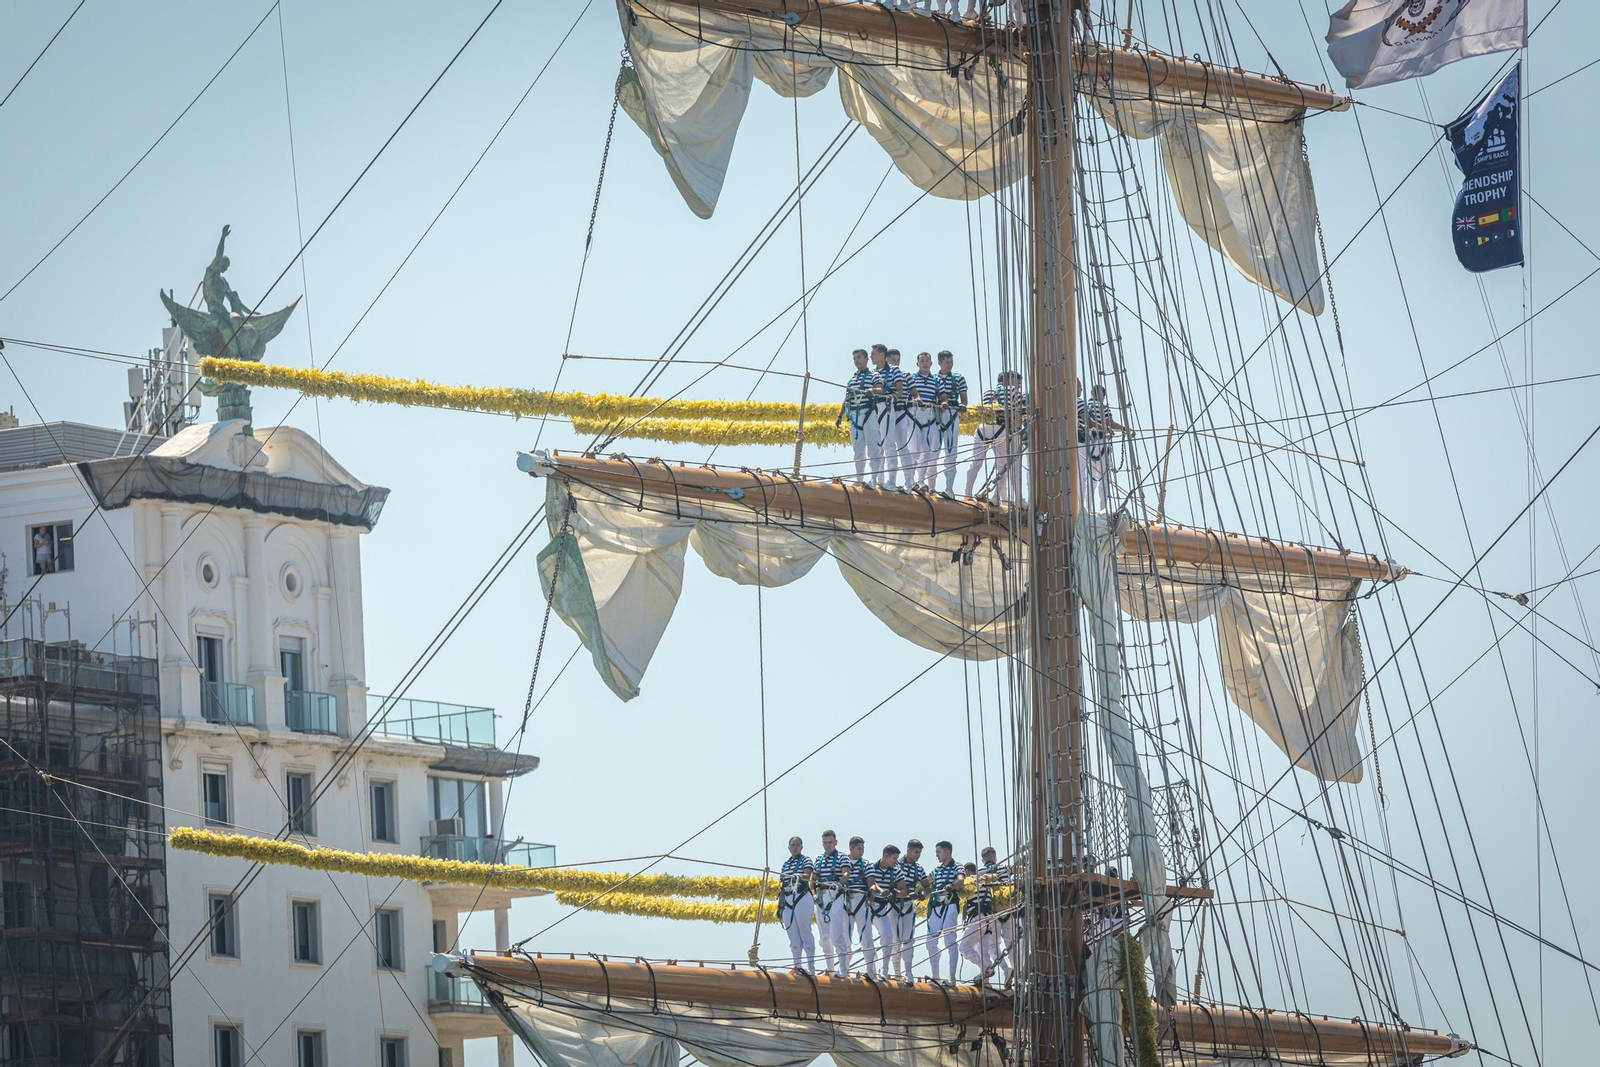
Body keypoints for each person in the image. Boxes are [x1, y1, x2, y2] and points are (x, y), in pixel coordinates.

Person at [964, 370, 1027, 503]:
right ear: (1009, 380)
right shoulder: (1013, 391)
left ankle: (967, 493)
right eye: (1017, 381)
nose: (1019, 385)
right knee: (1002, 465)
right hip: (1000, 428)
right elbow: (1024, 407)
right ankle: (996, 497)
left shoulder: (988, 391)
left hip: (982, 429)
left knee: (976, 462)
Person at [1077, 381, 1125, 511]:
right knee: (1104, 477)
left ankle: (1088, 508)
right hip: (1101, 443)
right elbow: (1110, 423)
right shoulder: (1102, 407)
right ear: (1102, 395)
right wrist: (1124, 428)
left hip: (1089, 445)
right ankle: (1104, 508)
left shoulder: (1086, 406)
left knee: (1090, 478)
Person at [836, 349, 879, 483]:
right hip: (854, 416)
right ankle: (859, 478)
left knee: (873, 448)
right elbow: (847, 398)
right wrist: (839, 416)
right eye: (854, 358)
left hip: (868, 413)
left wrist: (872, 391)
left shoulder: (874, 375)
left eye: (859, 357)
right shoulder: (852, 380)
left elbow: (880, 389)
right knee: (858, 450)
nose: (856, 360)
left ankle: (874, 479)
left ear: (866, 359)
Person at [925, 841, 965, 981]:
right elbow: (924, 882)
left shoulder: (957, 866)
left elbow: (960, 880)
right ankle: (935, 976)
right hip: (936, 906)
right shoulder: (937, 870)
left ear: (947, 851)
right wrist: (918, 890)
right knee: (930, 942)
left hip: (949, 904)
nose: (936, 855)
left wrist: (952, 885)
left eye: (938, 852)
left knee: (950, 940)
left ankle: (952, 976)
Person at [812, 830, 850, 975]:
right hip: (821, 897)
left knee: (837, 934)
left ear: (835, 842)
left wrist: (839, 883)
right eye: (825, 843)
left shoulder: (842, 857)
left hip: (835, 894)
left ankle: (843, 969)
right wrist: (814, 893)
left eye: (830, 842)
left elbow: (846, 873)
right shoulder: (819, 859)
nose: (827, 845)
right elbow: (813, 879)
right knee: (824, 936)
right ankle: (830, 968)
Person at [777, 836, 816, 972]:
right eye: (792, 845)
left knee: (805, 931)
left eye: (797, 845)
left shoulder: (806, 860)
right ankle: (797, 966)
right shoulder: (785, 864)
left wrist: (796, 875)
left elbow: (807, 875)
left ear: (801, 847)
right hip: (788, 899)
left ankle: (811, 966)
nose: (795, 847)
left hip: (802, 896)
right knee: (792, 934)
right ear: (789, 848)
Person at [905, 352, 942, 489]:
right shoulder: (912, 378)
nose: (925, 363)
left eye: (927, 361)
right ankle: (910, 480)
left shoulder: (936, 380)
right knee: (914, 449)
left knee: (926, 450)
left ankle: (921, 480)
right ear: (917, 364)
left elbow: (941, 395)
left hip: (929, 414)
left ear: (931, 364)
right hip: (915, 413)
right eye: (922, 361)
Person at [933, 351, 968, 498]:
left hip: (952, 414)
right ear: (940, 363)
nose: (950, 364)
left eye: (951, 362)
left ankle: (949, 488)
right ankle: (930, 487)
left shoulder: (959, 378)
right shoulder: (933, 378)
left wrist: (963, 405)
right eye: (947, 362)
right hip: (936, 414)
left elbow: (964, 399)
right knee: (932, 451)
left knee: (951, 453)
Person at [866, 845, 904, 977]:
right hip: (867, 907)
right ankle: (871, 969)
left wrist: (895, 893)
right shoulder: (871, 867)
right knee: (866, 938)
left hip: (882, 908)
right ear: (886, 856)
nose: (896, 861)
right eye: (894, 858)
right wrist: (882, 890)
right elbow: (872, 882)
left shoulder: (897, 871)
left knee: (887, 934)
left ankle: (885, 968)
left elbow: (904, 890)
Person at [895, 839, 929, 979]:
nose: (918, 855)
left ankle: (908, 971)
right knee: (895, 939)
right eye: (916, 852)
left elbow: (927, 887)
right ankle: (896, 971)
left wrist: (922, 894)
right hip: (894, 904)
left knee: (908, 939)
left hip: (909, 905)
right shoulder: (896, 864)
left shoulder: (919, 869)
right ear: (908, 850)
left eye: (920, 853)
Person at [840, 836, 872, 976]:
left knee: (866, 936)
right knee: (845, 937)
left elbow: (871, 883)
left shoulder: (866, 864)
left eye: (863, 848)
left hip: (861, 900)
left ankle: (871, 970)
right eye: (859, 848)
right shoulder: (842, 862)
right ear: (851, 848)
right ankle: (844, 970)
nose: (861, 851)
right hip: (845, 900)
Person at [883, 348, 913, 489]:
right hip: (885, 413)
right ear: (887, 359)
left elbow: (914, 393)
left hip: (900, 412)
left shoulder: (905, 375)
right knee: (884, 447)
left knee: (902, 447)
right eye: (893, 360)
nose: (896, 363)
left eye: (898, 360)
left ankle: (908, 483)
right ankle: (882, 480)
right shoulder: (879, 373)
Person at [868, 344, 897, 488]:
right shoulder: (872, 372)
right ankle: (878, 480)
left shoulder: (894, 370)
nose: (871, 356)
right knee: (877, 445)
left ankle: (891, 480)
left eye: (873, 353)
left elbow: (899, 392)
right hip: (874, 408)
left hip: (886, 406)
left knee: (889, 444)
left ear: (881, 355)